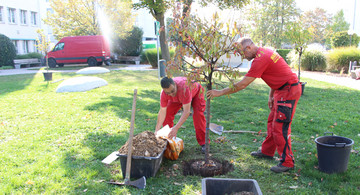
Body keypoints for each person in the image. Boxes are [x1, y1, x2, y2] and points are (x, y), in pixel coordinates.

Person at [206, 37, 302, 173]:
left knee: (281, 127)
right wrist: (271, 96)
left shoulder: (260, 59)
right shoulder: (265, 52)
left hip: (288, 91)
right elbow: (277, 75)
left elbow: (243, 84)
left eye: (243, 54)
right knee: (272, 122)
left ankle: (287, 162)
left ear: (249, 47)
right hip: (281, 90)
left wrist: (220, 92)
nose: (244, 58)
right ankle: (267, 152)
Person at [155, 77, 207, 153]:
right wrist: (157, 130)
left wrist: (176, 128)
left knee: (198, 116)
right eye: (168, 93)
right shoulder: (164, 93)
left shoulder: (184, 88)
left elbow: (186, 112)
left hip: (196, 93)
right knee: (167, 113)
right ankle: (168, 139)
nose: (171, 94)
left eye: (172, 91)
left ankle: (204, 143)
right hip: (179, 97)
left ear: (175, 84)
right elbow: (163, 111)